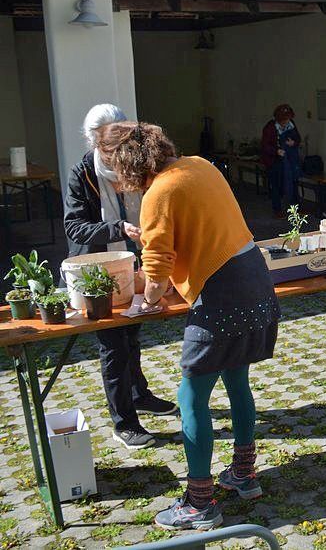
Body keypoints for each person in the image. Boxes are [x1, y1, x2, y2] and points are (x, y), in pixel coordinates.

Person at [97, 122, 280, 531]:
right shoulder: (199, 165)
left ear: (127, 164)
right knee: (237, 381)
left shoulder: (158, 193)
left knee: (190, 395)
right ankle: (244, 474)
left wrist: (146, 300)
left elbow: (157, 271)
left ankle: (200, 504)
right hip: (255, 278)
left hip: (222, 296)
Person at [64, 105, 176, 451]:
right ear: (96, 143)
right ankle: (123, 423)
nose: (118, 154)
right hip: (99, 272)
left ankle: (139, 395)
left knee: (132, 335)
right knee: (113, 346)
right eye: (111, 148)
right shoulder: (83, 173)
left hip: (134, 265)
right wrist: (117, 228)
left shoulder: (136, 163)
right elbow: (74, 226)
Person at [260, 104, 301, 219]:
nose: (286, 122)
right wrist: (276, 151)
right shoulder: (270, 128)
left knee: (293, 182)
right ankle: (277, 209)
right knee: (276, 185)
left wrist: (293, 143)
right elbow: (265, 146)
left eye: (288, 119)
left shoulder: (291, 125)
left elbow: (298, 138)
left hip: (290, 159)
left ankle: (296, 208)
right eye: (284, 120)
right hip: (274, 161)